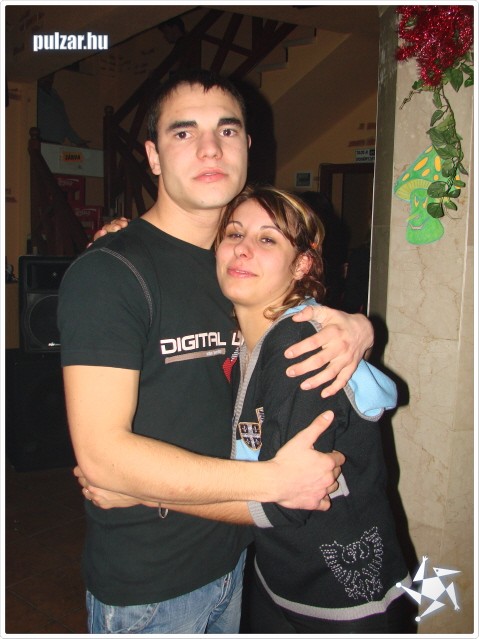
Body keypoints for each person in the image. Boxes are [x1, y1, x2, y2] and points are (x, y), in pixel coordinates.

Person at [58, 69, 373, 634]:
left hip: (240, 561)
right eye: (183, 132)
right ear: (153, 156)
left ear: (248, 146)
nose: (210, 148)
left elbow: (300, 314)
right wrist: (273, 482)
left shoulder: (240, 265)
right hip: (153, 590)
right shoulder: (110, 272)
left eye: (227, 131)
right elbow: (103, 457)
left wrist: (361, 327)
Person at [84, 185, 411, 632]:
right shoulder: (245, 337)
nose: (243, 249)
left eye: (267, 239)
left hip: (343, 602)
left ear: (302, 264)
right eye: (234, 234)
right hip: (280, 581)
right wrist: (130, 239)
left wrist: (139, 492)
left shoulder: (301, 350)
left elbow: (285, 502)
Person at [37, 73, 89, 146]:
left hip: (57, 143)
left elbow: (64, 122)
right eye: (46, 77)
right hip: (42, 142)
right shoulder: (35, 94)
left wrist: (79, 141)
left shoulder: (56, 96)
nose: (49, 79)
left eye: (51, 77)